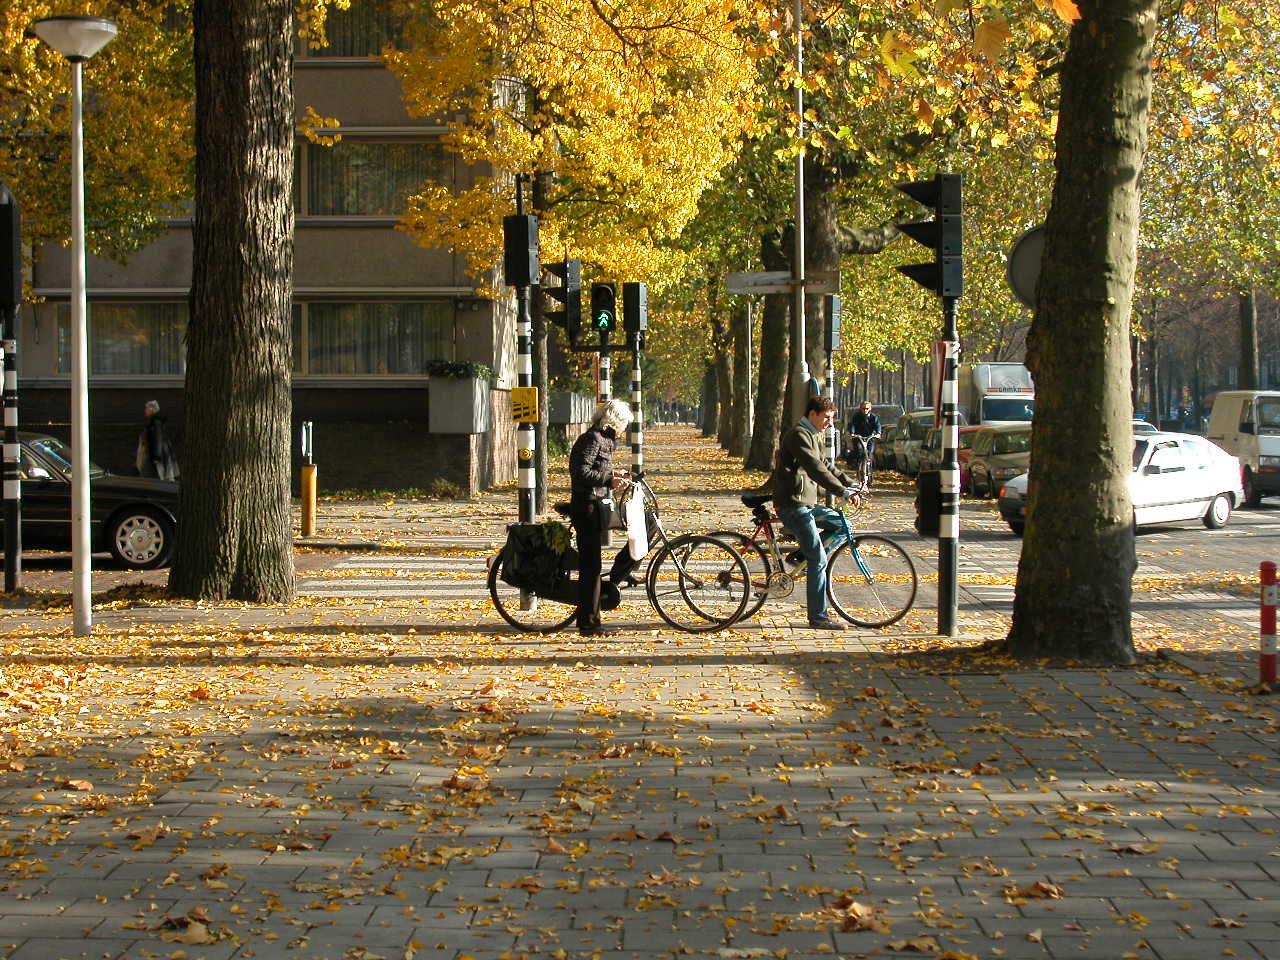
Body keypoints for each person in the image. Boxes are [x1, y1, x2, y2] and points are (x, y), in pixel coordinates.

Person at [774, 396, 860, 631]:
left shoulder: (812, 434)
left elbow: (826, 464)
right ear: (813, 414)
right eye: (827, 418)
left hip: (806, 502)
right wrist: (841, 492)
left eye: (832, 419)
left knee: (842, 525)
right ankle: (818, 617)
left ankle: (801, 555)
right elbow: (815, 468)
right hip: (794, 504)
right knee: (819, 560)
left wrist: (850, 483)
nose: (829, 423)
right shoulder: (799, 435)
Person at [568, 399, 633, 636]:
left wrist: (613, 473)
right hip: (587, 507)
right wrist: (609, 480)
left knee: (592, 566)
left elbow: (594, 467)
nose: (624, 429)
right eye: (624, 423)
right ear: (614, 421)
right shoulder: (593, 439)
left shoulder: (603, 440)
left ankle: (591, 617)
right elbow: (581, 471)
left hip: (595, 505)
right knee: (591, 567)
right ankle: (587, 623)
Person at [137, 399, 179, 481]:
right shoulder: (153, 422)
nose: (145, 410)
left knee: (157, 476)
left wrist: (156, 456)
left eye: (146, 408)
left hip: (156, 454)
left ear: (151, 409)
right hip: (155, 453)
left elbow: (158, 439)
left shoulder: (156, 422)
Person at [846, 400, 881, 481]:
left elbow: (877, 425)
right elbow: (853, 425)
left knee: (870, 452)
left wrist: (878, 433)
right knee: (859, 451)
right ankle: (858, 466)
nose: (865, 410)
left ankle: (870, 470)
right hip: (859, 437)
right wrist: (852, 433)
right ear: (860, 408)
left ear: (870, 409)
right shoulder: (856, 416)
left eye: (867, 408)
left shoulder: (873, 417)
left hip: (870, 437)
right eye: (863, 408)